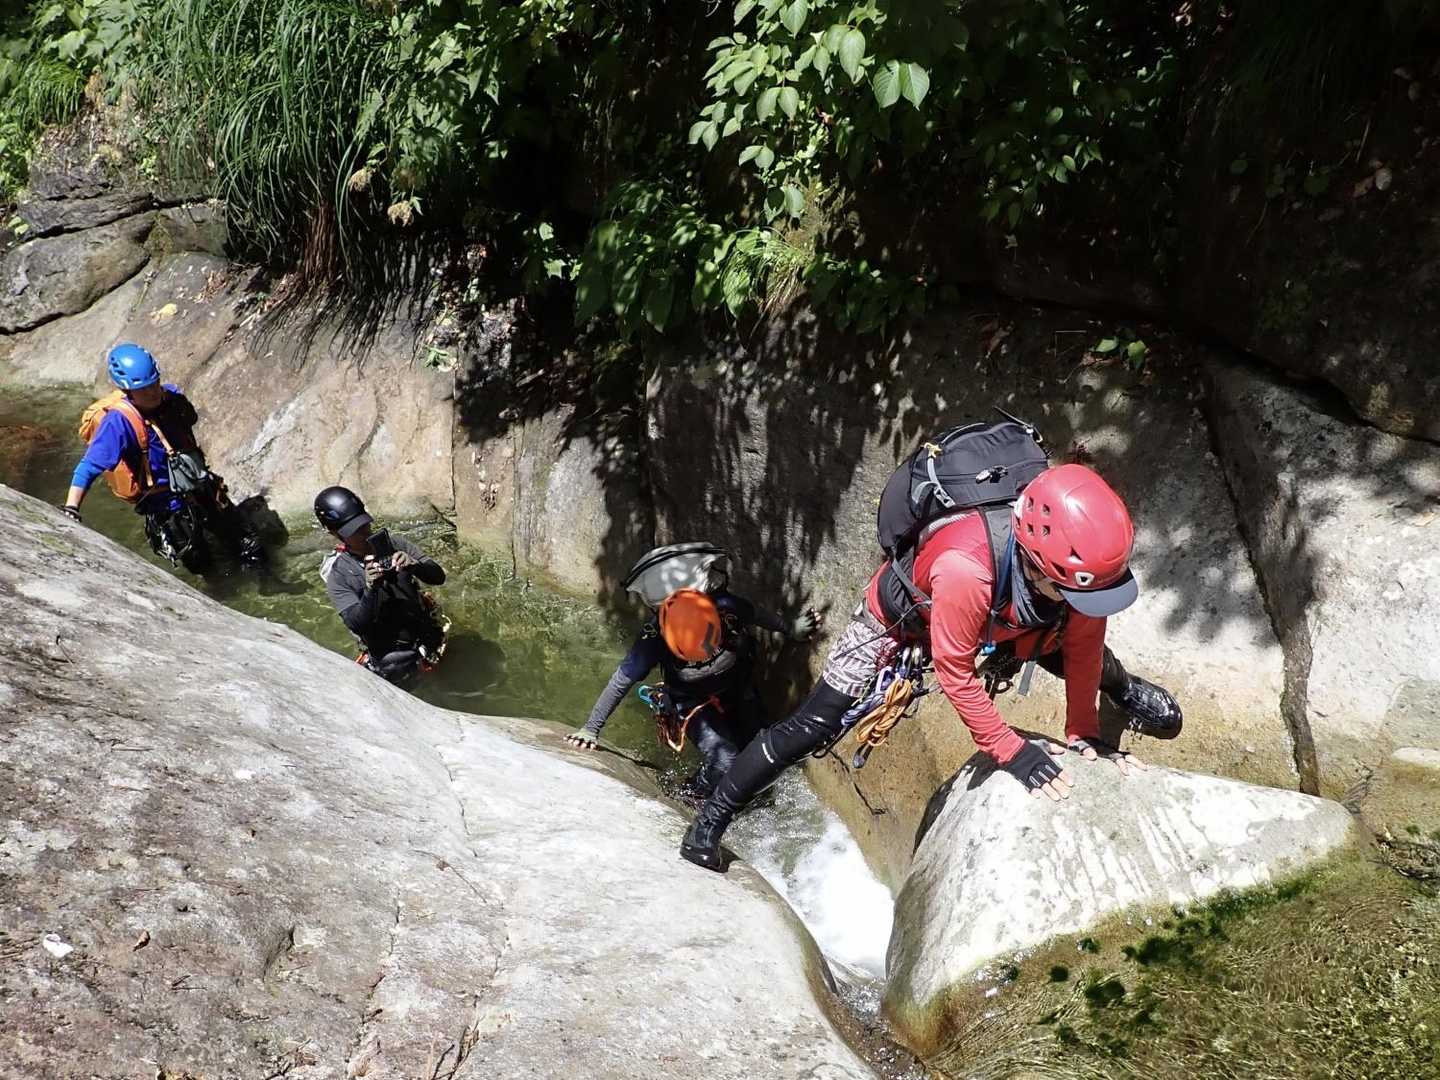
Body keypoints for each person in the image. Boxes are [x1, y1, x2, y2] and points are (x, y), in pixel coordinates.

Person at [680, 461, 1183, 871]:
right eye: (1077, 591)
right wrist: (1011, 750)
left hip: (1005, 618)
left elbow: (1085, 642)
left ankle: (1122, 689)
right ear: (1038, 562)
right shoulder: (967, 568)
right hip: (901, 621)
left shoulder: (1072, 570)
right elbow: (955, 671)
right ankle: (710, 819)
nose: (1088, 602)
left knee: (1082, 650)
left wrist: (1084, 733)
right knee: (812, 725)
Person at [566, 578, 820, 803]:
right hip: (690, 701)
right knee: (726, 758)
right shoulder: (653, 639)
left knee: (761, 751)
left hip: (736, 686)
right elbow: (620, 682)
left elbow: (754, 613)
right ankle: (690, 796)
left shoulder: (725, 606)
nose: (706, 655)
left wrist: (790, 628)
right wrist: (591, 729)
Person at [62, 343, 264, 571]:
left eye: (155, 383)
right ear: (127, 391)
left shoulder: (173, 398)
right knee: (203, 565)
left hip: (201, 488)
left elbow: (190, 420)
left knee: (250, 546)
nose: (153, 392)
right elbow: (89, 466)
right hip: (166, 506)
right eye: (144, 389)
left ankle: (263, 575)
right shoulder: (118, 422)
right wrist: (72, 508)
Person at [314, 486, 448, 685]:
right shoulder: (339, 575)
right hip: (393, 656)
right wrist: (371, 589)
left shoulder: (394, 545)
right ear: (333, 532)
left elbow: (438, 577)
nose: (363, 532)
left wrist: (415, 565)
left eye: (364, 525)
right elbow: (356, 623)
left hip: (427, 635)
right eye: (354, 531)